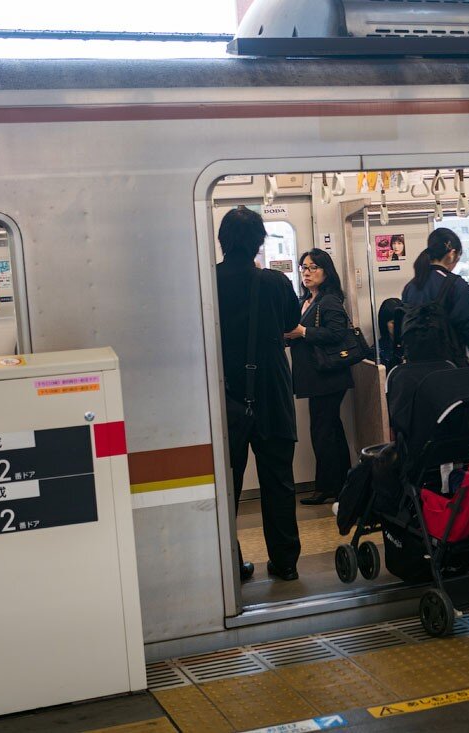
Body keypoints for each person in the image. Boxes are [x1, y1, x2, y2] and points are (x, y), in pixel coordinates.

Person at [217, 207, 302, 582]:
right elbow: (289, 324)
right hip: (271, 394)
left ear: (222, 241)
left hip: (223, 397)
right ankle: (285, 563)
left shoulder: (207, 282)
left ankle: (230, 565)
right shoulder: (276, 283)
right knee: (279, 482)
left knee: (226, 486)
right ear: (259, 242)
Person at [286, 249, 355, 506]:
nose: (307, 272)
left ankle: (328, 487)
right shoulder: (306, 300)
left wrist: (304, 331)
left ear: (326, 271)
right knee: (330, 430)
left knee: (322, 431)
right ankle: (340, 485)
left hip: (329, 377)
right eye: (304, 267)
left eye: (313, 267)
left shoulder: (330, 300)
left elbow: (337, 334)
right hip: (316, 377)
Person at [401, 228, 469, 366]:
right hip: (451, 362)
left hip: (416, 364)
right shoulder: (457, 285)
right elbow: (467, 323)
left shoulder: (410, 287)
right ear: (452, 254)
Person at [376, 298, 404, 370]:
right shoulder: (377, 352)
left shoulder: (412, 345)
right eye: (394, 323)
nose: (399, 325)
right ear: (384, 324)